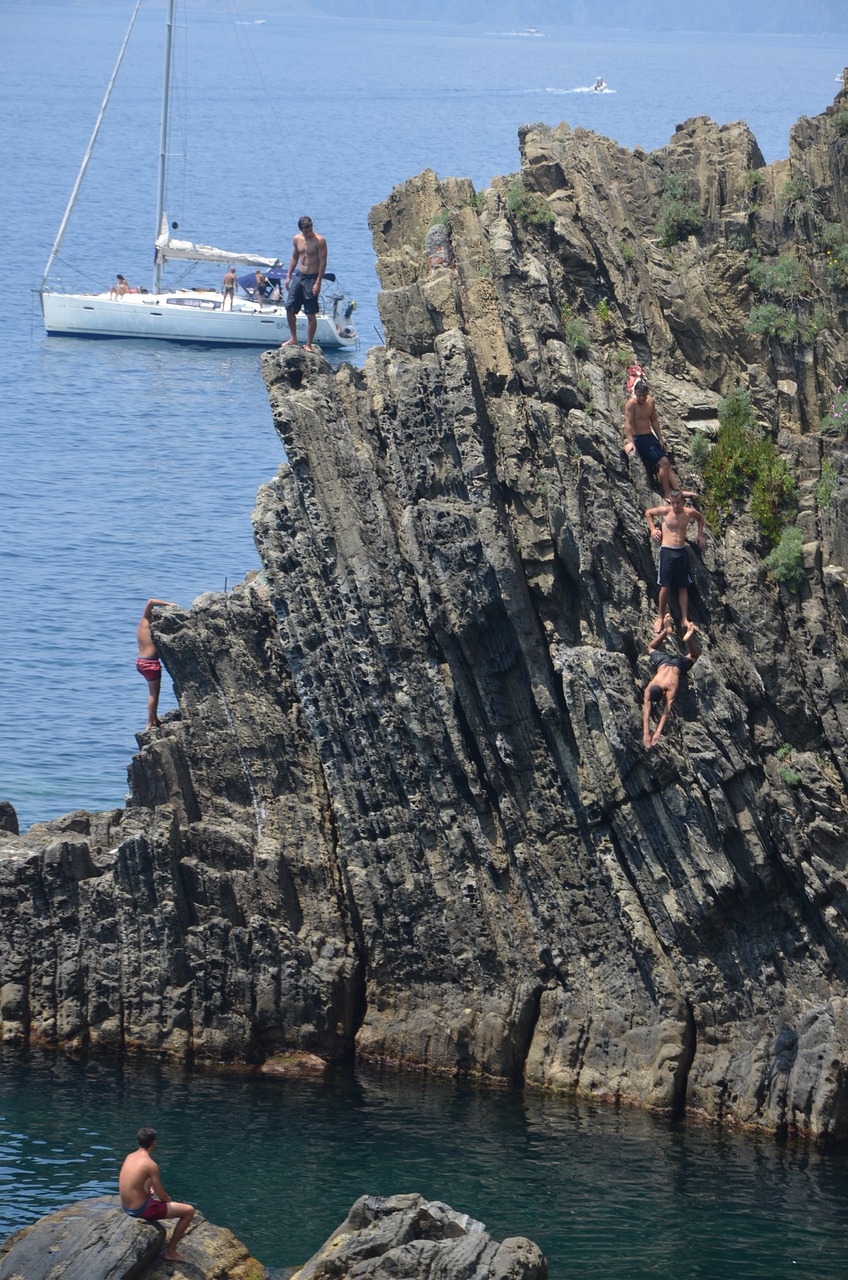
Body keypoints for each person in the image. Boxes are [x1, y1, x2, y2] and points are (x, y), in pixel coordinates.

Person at [119, 1127, 195, 1263]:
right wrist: (168, 1202)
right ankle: (171, 1252)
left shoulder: (130, 1156)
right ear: (154, 1143)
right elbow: (161, 1196)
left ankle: (147, 1195)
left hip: (126, 1206)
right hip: (140, 1209)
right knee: (189, 1211)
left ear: (139, 1141)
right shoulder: (150, 1164)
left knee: (149, 1178)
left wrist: (148, 1190)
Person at [646, 490, 706, 633]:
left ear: (682, 502)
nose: (675, 506)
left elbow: (700, 518)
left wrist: (700, 535)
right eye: (672, 503)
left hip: (681, 552)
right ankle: (660, 617)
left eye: (677, 503)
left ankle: (684, 619)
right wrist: (653, 529)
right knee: (665, 587)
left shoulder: (689, 513)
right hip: (667, 551)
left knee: (682, 586)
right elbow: (648, 513)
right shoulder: (665, 511)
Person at [624, 378, 692, 500]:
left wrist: (660, 438)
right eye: (639, 395)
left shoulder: (651, 402)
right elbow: (628, 423)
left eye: (644, 395)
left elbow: (653, 420)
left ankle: (678, 491)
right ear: (635, 393)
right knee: (664, 462)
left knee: (667, 465)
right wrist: (630, 442)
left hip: (650, 437)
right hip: (639, 439)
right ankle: (667, 494)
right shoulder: (631, 404)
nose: (641, 398)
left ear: (648, 393)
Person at [642, 616, 701, 749]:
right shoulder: (653, 685)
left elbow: (664, 711)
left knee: (694, 656)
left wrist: (653, 732)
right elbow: (660, 711)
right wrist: (652, 733)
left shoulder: (666, 688)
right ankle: (667, 632)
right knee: (651, 648)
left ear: (662, 692)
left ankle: (682, 636)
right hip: (663, 662)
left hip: (676, 666)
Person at [281, 215, 328, 351]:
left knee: (310, 313)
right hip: (300, 276)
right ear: (301, 230)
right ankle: (293, 338)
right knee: (289, 308)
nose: (308, 233)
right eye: (306, 231)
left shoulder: (320, 241)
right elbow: (294, 257)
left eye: (310, 229)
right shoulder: (297, 239)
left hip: (312, 278)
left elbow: (323, 262)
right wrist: (288, 276)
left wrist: (318, 282)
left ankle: (308, 344)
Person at [136, 598, 176, 731]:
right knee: (154, 694)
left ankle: (155, 719)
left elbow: (150, 604)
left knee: (153, 692)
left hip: (140, 661)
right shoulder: (151, 623)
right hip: (150, 663)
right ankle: (149, 723)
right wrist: (169, 604)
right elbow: (151, 601)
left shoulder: (143, 622)